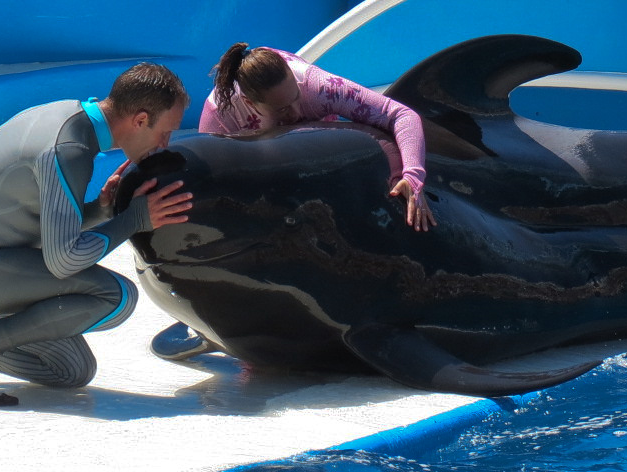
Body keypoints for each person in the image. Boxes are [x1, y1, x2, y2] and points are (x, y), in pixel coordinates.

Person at [0, 63, 194, 406]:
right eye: (165, 132)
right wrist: (135, 219)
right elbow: (64, 259)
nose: (165, 144)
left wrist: (101, 210)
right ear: (141, 120)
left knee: (71, 370)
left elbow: (41, 226)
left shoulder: (72, 120)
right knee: (117, 297)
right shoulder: (69, 148)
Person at [151, 42, 432, 361]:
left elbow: (400, 115)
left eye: (294, 100)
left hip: (318, 150)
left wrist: (411, 176)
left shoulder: (315, 86)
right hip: (270, 167)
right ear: (250, 103)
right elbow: (214, 185)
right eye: (281, 110)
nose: (294, 112)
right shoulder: (222, 115)